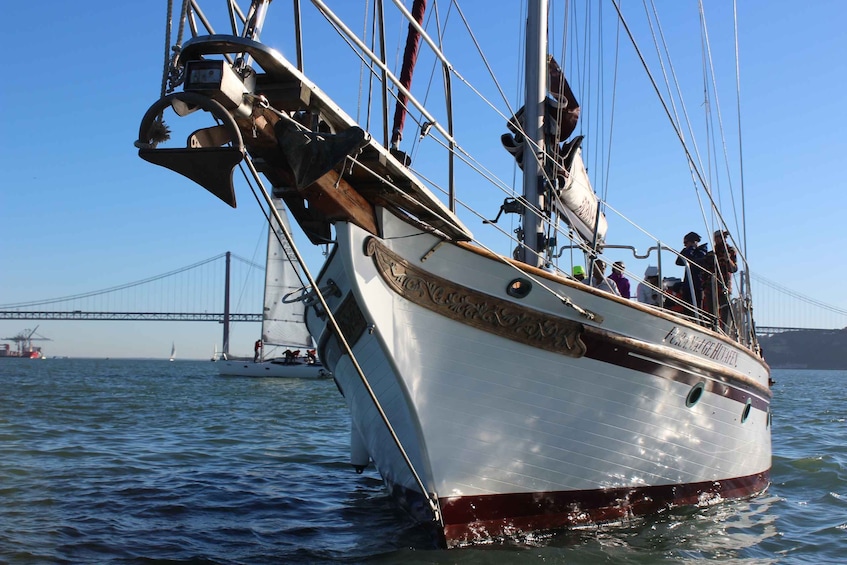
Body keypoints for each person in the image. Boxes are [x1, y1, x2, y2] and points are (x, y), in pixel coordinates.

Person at [701, 230, 738, 330]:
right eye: (718, 237)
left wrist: (728, 260)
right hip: (711, 286)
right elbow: (704, 270)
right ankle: (713, 328)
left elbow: (734, 269)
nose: (720, 240)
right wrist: (704, 284)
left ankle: (725, 330)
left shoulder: (730, 251)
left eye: (723, 237)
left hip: (724, 285)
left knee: (725, 309)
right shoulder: (711, 254)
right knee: (711, 310)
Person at [675, 231, 708, 311]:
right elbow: (678, 262)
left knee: (696, 308)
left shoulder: (701, 252)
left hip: (697, 285)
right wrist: (686, 250)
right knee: (686, 308)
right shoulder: (688, 251)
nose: (685, 245)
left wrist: (691, 248)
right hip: (687, 284)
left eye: (686, 243)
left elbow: (693, 260)